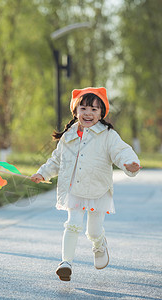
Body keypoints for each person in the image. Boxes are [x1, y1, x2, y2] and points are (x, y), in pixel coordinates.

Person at [31, 87, 141, 281]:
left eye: (94, 109)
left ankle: (99, 245)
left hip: (98, 190)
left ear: (101, 113)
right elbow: (56, 160)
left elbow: (121, 151)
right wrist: (42, 173)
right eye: (83, 108)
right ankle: (66, 263)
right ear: (75, 112)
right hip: (74, 188)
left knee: (93, 230)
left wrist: (129, 164)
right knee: (72, 225)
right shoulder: (68, 136)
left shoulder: (107, 135)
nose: (88, 113)